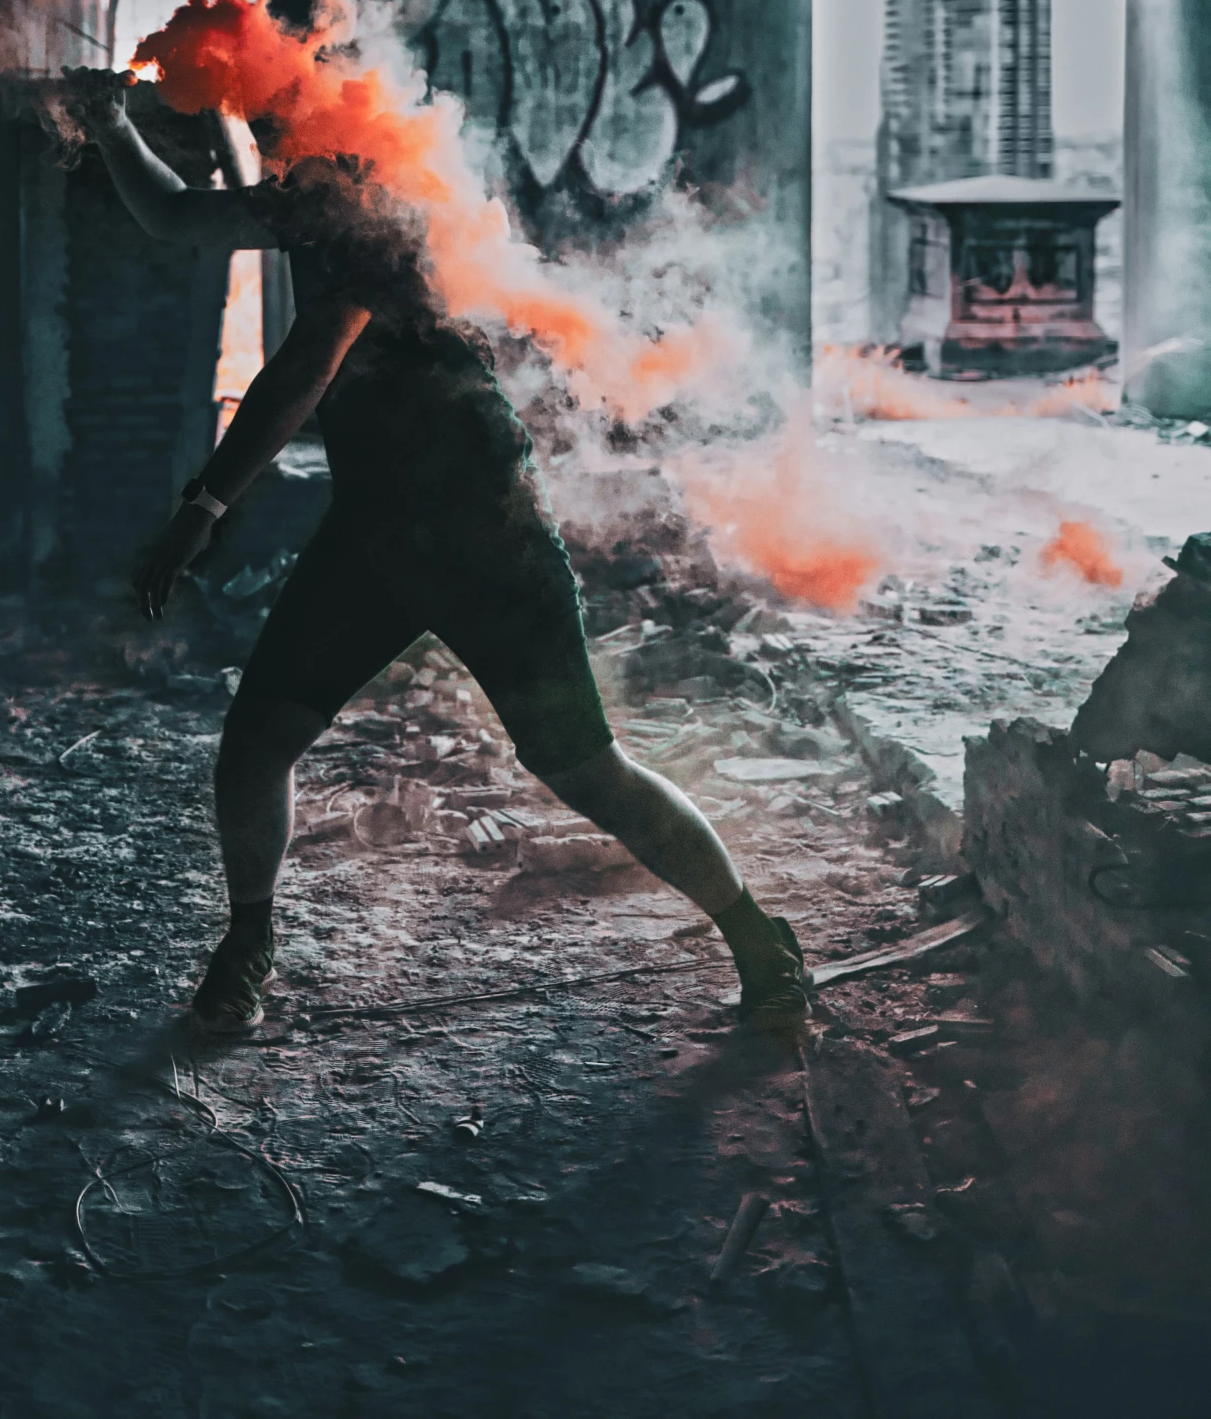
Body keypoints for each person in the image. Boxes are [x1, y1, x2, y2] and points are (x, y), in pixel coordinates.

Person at [63, 60, 809, 1039]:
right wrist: (110, 120)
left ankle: (760, 939)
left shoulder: (388, 203)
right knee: (256, 744)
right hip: (373, 534)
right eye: (258, 120)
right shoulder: (310, 196)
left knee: (583, 766)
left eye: (274, 114)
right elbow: (174, 215)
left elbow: (301, 368)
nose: (271, 137)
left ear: (323, 103)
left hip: (485, 532)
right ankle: (248, 947)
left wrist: (202, 507)